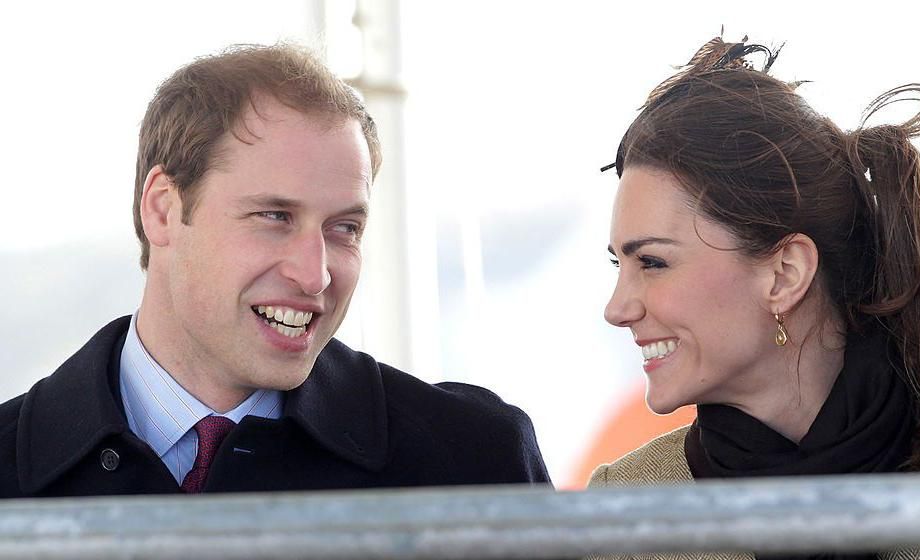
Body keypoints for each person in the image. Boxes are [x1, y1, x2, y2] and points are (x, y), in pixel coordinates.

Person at [0, 44, 549, 497]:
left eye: (344, 228)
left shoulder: (476, 463)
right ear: (163, 209)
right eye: (275, 216)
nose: (315, 276)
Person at [588, 36, 920, 560]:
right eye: (618, 264)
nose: (617, 309)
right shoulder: (625, 515)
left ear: (784, 274)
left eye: (652, 262)